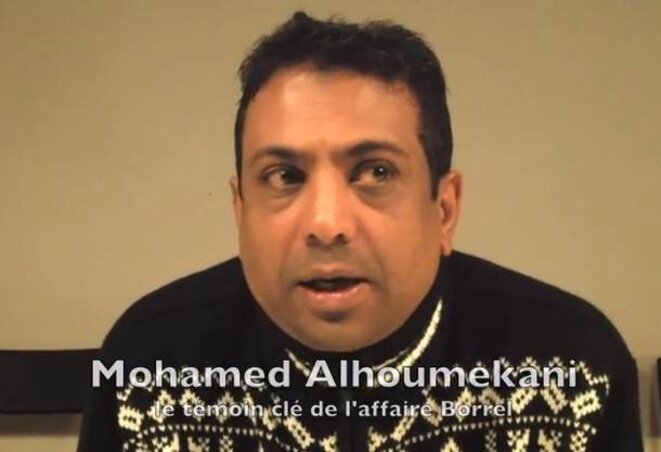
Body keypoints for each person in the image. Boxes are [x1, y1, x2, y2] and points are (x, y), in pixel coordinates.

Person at [77, 11, 643, 451]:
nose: (326, 224)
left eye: (376, 172)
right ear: (239, 208)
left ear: (445, 210)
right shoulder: (147, 362)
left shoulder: (574, 363)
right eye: (285, 176)